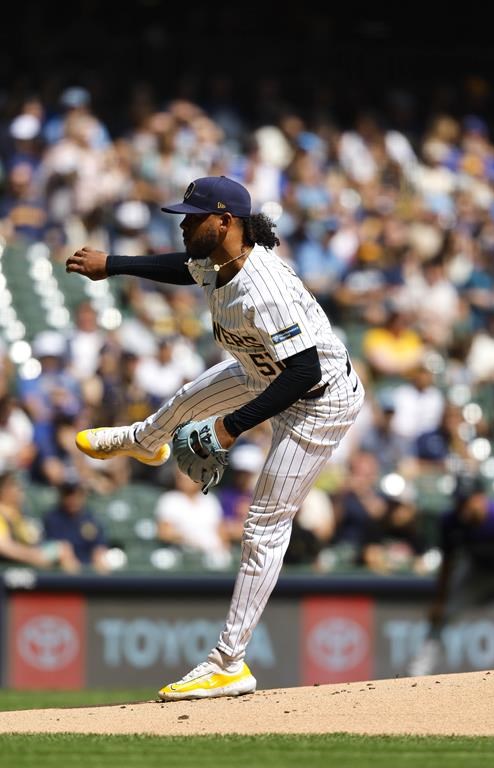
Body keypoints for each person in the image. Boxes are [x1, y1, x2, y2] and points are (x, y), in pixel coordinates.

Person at [65, 175, 364, 701]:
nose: (183, 224)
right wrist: (114, 265)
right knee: (185, 398)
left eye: (193, 216)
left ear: (225, 222)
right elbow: (186, 269)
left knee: (264, 527)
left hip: (319, 399)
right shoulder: (220, 260)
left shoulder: (262, 287)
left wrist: (230, 428)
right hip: (264, 369)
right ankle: (146, 439)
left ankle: (229, 663)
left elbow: (306, 371)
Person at [407, 476, 494, 676]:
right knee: (444, 613)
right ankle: (418, 672)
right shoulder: (451, 521)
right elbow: (448, 563)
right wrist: (440, 599)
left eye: (466, 501)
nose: (462, 507)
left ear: (480, 498)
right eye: (459, 502)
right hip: (476, 571)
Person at [42, 480, 111, 573]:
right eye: (69, 494)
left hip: (89, 565)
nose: (73, 499)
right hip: (63, 571)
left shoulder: (91, 518)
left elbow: (99, 548)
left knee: (103, 562)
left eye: (77, 494)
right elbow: (57, 549)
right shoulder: (53, 518)